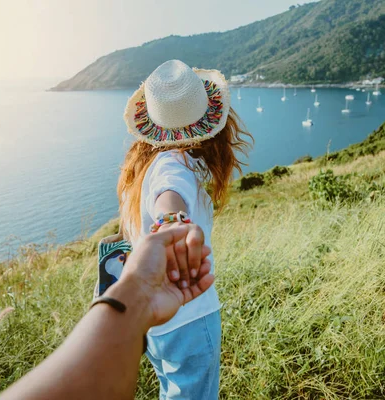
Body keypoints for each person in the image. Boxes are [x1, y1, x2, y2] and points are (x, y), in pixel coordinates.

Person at [118, 59, 251, 399]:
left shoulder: (142, 170)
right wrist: (172, 223)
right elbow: (170, 197)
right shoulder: (174, 166)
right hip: (189, 318)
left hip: (159, 323)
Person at [0, 224, 214, 400]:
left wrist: (137, 296)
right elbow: (170, 190)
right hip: (178, 316)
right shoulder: (175, 168)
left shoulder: (133, 180)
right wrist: (173, 220)